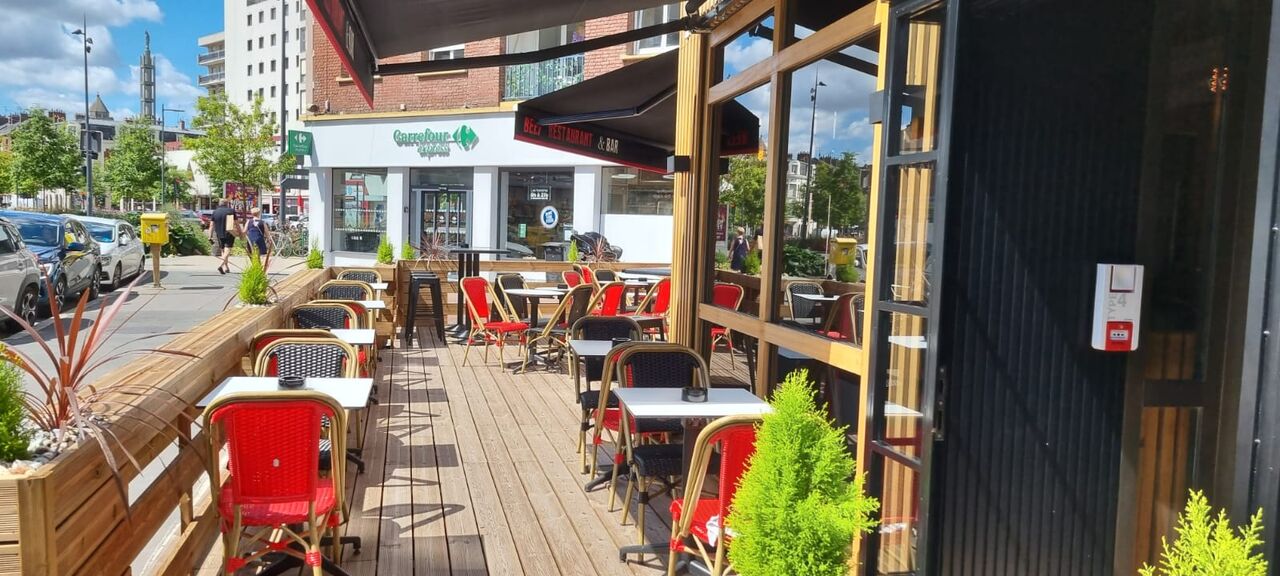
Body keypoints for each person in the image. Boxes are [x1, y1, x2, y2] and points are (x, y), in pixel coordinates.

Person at [210, 198, 238, 274]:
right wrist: (240, 233)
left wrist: (210, 236)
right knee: (227, 250)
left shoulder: (215, 212)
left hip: (219, 233)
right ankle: (221, 265)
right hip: (229, 233)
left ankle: (226, 267)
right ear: (227, 204)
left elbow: (211, 225)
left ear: (219, 204)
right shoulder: (231, 211)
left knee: (223, 250)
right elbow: (236, 223)